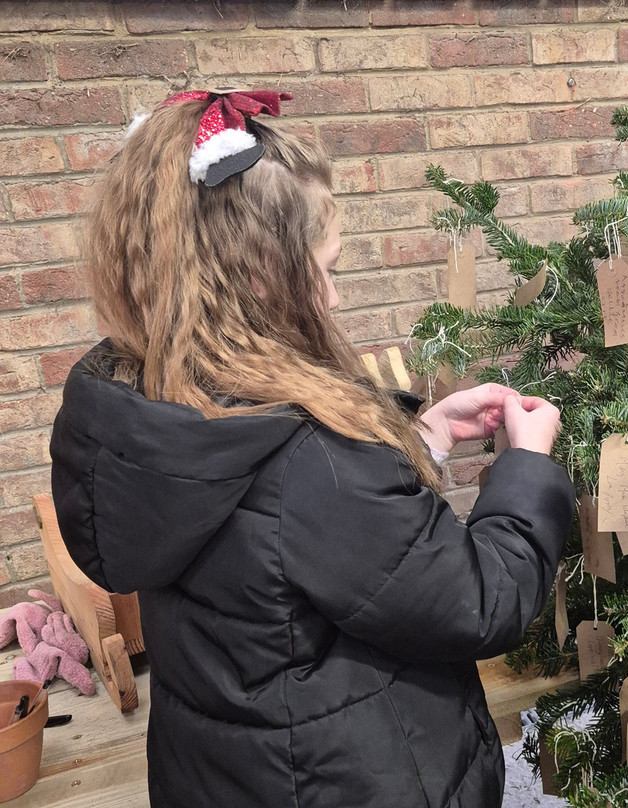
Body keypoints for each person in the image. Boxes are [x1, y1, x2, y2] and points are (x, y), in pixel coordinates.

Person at [49, 91, 574, 808]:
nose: (329, 297)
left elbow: (281, 549)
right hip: (349, 779)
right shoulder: (311, 460)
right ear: (261, 278)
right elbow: (478, 601)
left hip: (231, 773)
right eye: (321, 269)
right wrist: (526, 470)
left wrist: (424, 434)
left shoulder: (156, 409)